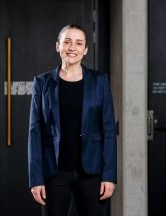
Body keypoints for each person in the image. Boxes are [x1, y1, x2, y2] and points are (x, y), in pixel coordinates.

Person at [28, 24, 117, 216]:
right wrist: (36, 179)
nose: (72, 48)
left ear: (85, 49)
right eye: (67, 42)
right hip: (55, 173)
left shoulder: (100, 81)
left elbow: (108, 129)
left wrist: (109, 176)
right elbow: (35, 132)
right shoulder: (42, 83)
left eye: (78, 43)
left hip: (92, 173)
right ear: (57, 46)